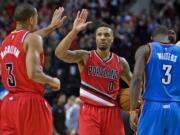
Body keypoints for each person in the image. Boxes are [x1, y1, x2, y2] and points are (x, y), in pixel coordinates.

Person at [55, 9, 132, 135]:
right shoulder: (85, 57)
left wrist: (135, 107)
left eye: (106, 35)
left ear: (112, 39)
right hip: (89, 111)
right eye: (99, 34)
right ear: (95, 38)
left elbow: (135, 85)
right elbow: (59, 53)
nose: (103, 37)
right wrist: (74, 31)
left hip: (112, 112)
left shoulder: (120, 62)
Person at [0, 3, 66, 135]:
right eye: (36, 17)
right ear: (31, 19)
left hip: (8, 104)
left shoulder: (5, 41)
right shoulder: (32, 39)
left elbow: (32, 37)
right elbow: (33, 73)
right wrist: (52, 80)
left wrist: (52, 26)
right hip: (30, 103)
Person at [130, 26, 180, 135]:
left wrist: (132, 110)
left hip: (152, 107)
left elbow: (137, 78)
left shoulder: (145, 49)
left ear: (152, 38)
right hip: (176, 108)